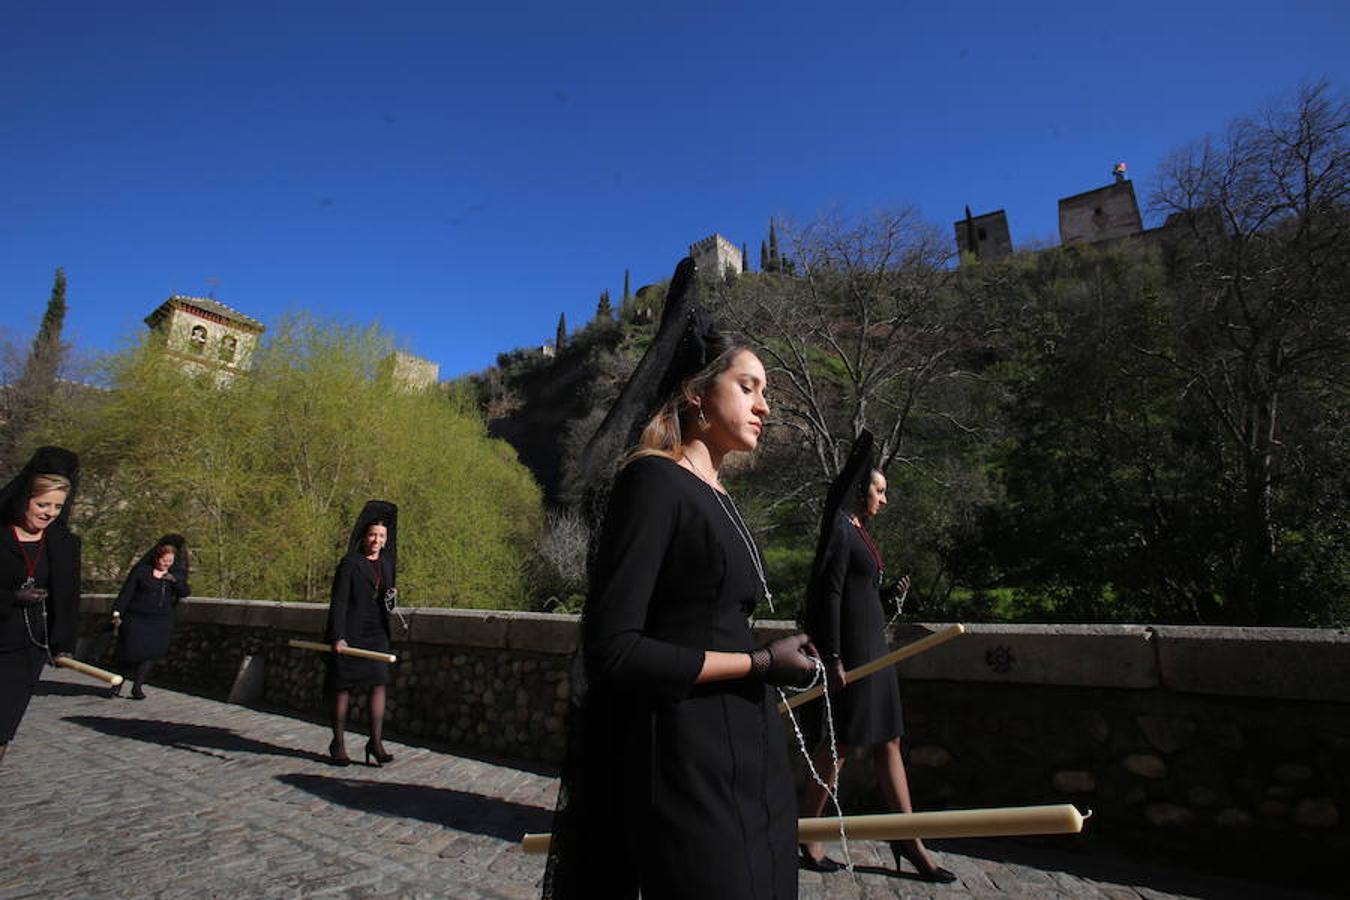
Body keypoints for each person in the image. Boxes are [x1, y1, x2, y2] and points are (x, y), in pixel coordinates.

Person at [543, 258, 818, 900]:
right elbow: (615, 650)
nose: (764, 405)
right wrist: (756, 663)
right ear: (697, 391)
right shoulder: (651, 482)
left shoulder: (717, 492)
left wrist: (779, 659)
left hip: (748, 752)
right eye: (748, 386)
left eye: (765, 391)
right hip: (686, 761)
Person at [799, 430, 956, 883]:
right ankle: (807, 832)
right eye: (879, 490)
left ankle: (907, 838)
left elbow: (857, 598)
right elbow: (827, 597)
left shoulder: (858, 532)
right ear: (860, 489)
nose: (884, 500)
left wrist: (886, 596)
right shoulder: (841, 532)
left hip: (875, 651)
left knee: (887, 741)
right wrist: (832, 658)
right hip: (853, 656)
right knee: (841, 745)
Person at [0, 446, 81, 763]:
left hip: (25, 651)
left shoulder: (63, 544)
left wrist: (63, 645)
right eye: (42, 504)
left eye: (57, 507)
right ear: (25, 499)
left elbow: (68, 596)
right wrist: (10, 598)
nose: (49, 513)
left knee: (3, 727)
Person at [324, 500, 397, 767]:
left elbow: (386, 598)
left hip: (377, 631)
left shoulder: (387, 564)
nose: (376, 540)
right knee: (342, 688)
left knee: (378, 683)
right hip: (351, 631)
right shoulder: (350, 563)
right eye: (372, 535)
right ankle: (338, 743)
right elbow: (339, 602)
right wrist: (337, 636)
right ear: (364, 537)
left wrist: (391, 600)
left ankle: (375, 742)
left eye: (381, 536)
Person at [110, 534, 189, 699]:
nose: (167, 564)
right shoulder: (142, 572)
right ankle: (117, 684)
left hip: (160, 619)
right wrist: (117, 611)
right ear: (157, 558)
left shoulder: (175, 575)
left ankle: (137, 687)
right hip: (137, 617)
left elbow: (184, 592)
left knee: (150, 654)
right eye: (164, 560)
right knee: (129, 652)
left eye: (170, 561)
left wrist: (174, 580)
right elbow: (127, 593)